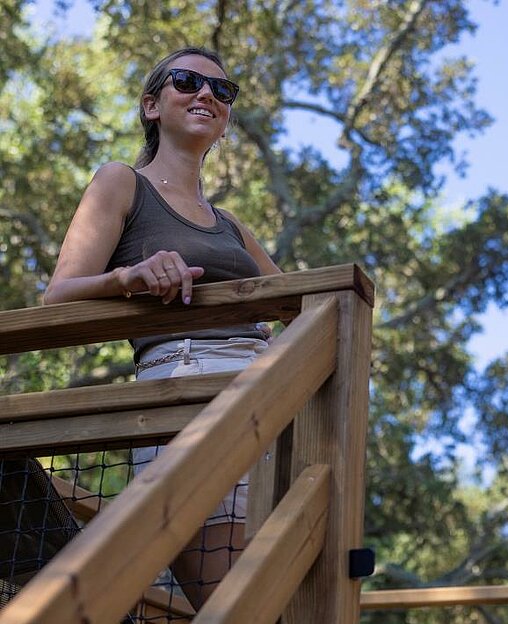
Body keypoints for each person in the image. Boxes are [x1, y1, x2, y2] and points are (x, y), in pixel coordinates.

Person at [43, 47, 281, 608]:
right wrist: (130, 275)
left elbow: (306, 304)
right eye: (187, 81)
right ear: (152, 105)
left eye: (223, 92)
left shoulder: (232, 225)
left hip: (270, 402)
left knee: (291, 593)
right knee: (234, 603)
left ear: (225, 119)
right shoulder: (120, 182)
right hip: (184, 394)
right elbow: (56, 296)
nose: (207, 95)